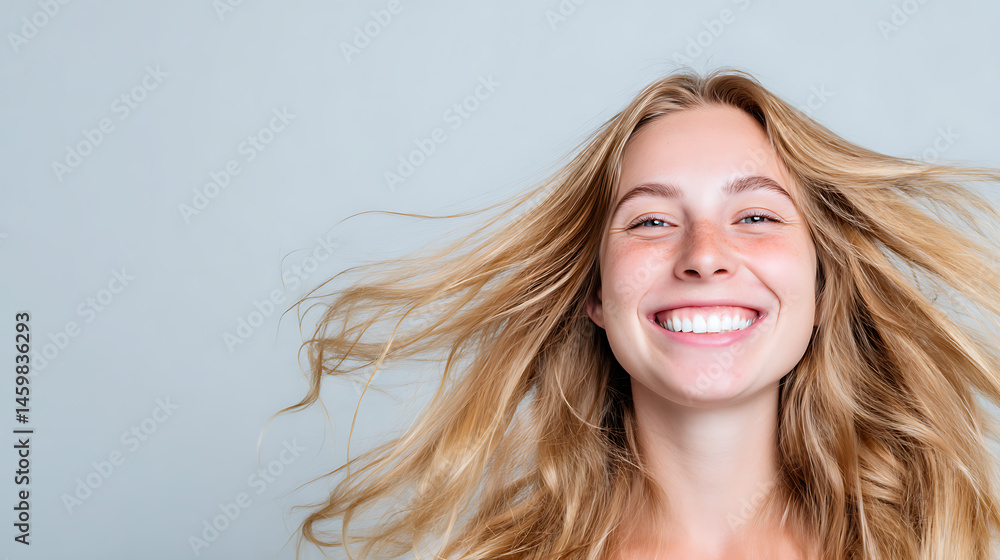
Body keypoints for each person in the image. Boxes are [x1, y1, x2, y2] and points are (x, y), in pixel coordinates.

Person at [278, 68, 1000, 559]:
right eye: (652, 222)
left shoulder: (946, 541)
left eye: (754, 214)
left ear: (821, 286)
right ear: (594, 291)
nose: (705, 255)